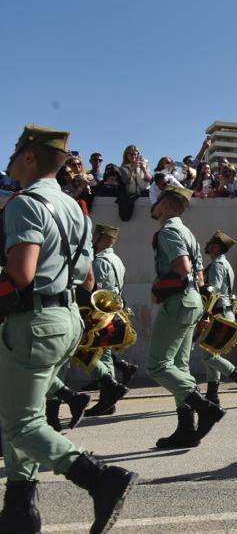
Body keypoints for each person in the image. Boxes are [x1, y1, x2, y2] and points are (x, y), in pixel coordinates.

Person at [0, 124, 137, 534]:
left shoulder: (25, 204)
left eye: (14, 151)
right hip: (64, 321)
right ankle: (19, 508)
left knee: (21, 422)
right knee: (24, 413)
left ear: (29, 157)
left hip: (32, 321)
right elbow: (89, 280)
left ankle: (100, 479)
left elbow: (21, 275)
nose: (8, 159)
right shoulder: (75, 209)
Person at [147, 186, 226, 448]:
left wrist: (159, 288)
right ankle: (186, 428)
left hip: (178, 301)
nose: (155, 204)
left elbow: (183, 268)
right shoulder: (188, 234)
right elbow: (200, 276)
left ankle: (204, 408)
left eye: (158, 201)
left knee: (158, 365)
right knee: (179, 367)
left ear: (167, 207)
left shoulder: (168, 231)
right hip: (192, 299)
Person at [199, 231, 237, 406]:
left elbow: (212, 291)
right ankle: (212, 395)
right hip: (225, 312)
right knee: (211, 354)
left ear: (216, 246)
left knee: (209, 357)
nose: (207, 244)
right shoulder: (224, 264)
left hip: (218, 313)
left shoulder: (217, 265)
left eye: (210, 242)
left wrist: (204, 312)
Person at [80, 223, 132, 418]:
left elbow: (97, 290)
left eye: (95, 236)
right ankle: (107, 400)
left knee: (88, 354)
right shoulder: (117, 260)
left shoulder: (100, 261)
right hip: (114, 310)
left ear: (101, 238)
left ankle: (108, 395)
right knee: (106, 355)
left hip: (101, 313)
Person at [116, 145, 151, 221]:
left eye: (136, 154)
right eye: (131, 154)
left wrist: (144, 169)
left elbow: (149, 179)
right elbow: (125, 181)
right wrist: (132, 169)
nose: (134, 156)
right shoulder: (122, 168)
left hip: (144, 194)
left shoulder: (144, 165)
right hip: (130, 196)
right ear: (126, 155)